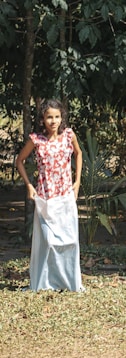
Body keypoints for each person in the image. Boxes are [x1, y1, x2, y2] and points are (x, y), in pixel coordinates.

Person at [15, 99, 84, 292]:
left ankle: (68, 283)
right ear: (43, 119)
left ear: (62, 117)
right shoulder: (36, 140)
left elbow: (78, 154)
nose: (53, 121)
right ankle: (44, 282)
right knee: (47, 241)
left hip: (66, 195)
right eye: (49, 117)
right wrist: (29, 186)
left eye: (56, 116)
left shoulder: (69, 135)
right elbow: (19, 161)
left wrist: (77, 181)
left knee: (69, 241)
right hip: (45, 197)